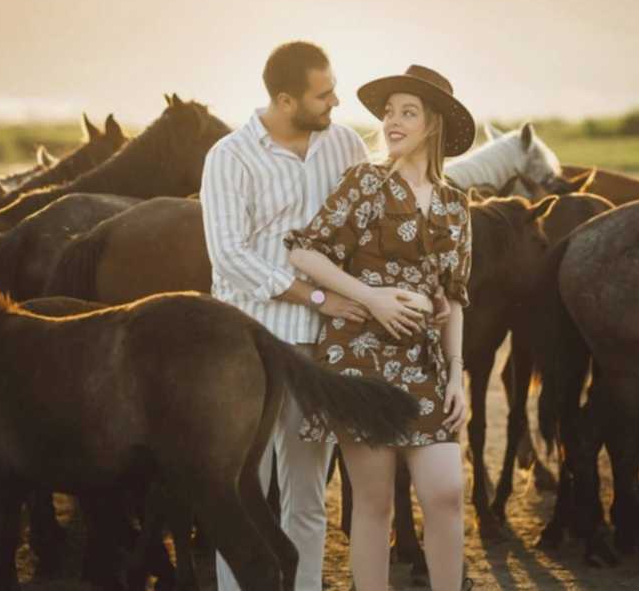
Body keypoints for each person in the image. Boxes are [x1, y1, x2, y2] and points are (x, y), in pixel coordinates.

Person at [286, 64, 475, 591]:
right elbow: (305, 251)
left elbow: (454, 297)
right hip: (359, 360)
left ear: (432, 125)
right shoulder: (365, 183)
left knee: (445, 493)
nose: (392, 121)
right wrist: (369, 298)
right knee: (373, 504)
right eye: (389, 112)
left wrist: (456, 373)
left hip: (424, 365)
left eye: (407, 113)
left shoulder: (458, 206)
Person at [200, 40, 369, 591]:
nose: (336, 102)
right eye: (323, 95)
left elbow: (366, 231)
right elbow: (228, 256)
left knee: (307, 497)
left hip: (317, 352)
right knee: (244, 495)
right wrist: (314, 296)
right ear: (284, 98)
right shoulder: (230, 156)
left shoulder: (345, 147)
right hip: (244, 354)